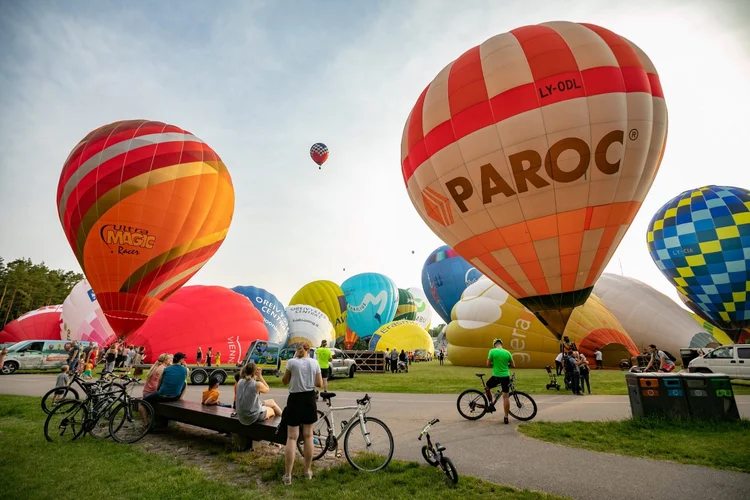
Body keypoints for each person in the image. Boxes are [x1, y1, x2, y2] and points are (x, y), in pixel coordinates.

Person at [282, 342, 323, 485]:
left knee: (292, 437)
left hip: (294, 398)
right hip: (309, 398)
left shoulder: (291, 362)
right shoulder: (314, 363)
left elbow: (284, 381)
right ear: (309, 350)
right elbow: (319, 383)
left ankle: (288, 475)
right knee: (308, 435)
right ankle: (307, 470)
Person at [486, 338, 515, 424]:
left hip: (496, 376)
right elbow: (513, 365)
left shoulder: (492, 351)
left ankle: (491, 403)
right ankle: (506, 417)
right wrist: (507, 364)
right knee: (505, 397)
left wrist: (494, 363)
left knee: (487, 387)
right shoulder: (507, 352)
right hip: (506, 376)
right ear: (502, 344)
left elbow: (487, 364)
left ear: (495, 344)